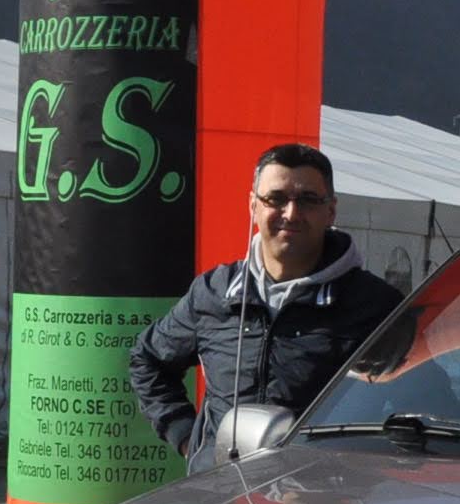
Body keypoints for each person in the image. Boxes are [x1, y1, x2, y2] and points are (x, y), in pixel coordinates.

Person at [129, 145, 402, 470]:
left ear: (331, 211)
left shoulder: (375, 305)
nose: (291, 213)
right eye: (276, 199)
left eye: (308, 200)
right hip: (219, 494)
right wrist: (189, 439)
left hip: (318, 497)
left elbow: (421, 400)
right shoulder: (214, 292)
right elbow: (147, 359)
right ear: (253, 206)